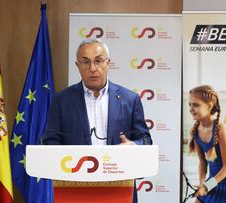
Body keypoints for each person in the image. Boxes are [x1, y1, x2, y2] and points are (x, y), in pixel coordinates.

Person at [41, 39, 152, 203]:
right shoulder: (61, 100)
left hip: (119, 189)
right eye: (86, 62)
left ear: (108, 63)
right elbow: (50, 140)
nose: (93, 68)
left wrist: (134, 146)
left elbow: (146, 140)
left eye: (98, 61)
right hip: (75, 189)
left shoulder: (129, 99)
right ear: (77, 66)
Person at [188, 85, 226, 203]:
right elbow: (202, 163)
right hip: (212, 182)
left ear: (209, 106)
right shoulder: (195, 131)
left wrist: (207, 186)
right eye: (190, 105)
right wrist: (202, 183)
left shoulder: (221, 129)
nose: (191, 109)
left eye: (196, 105)